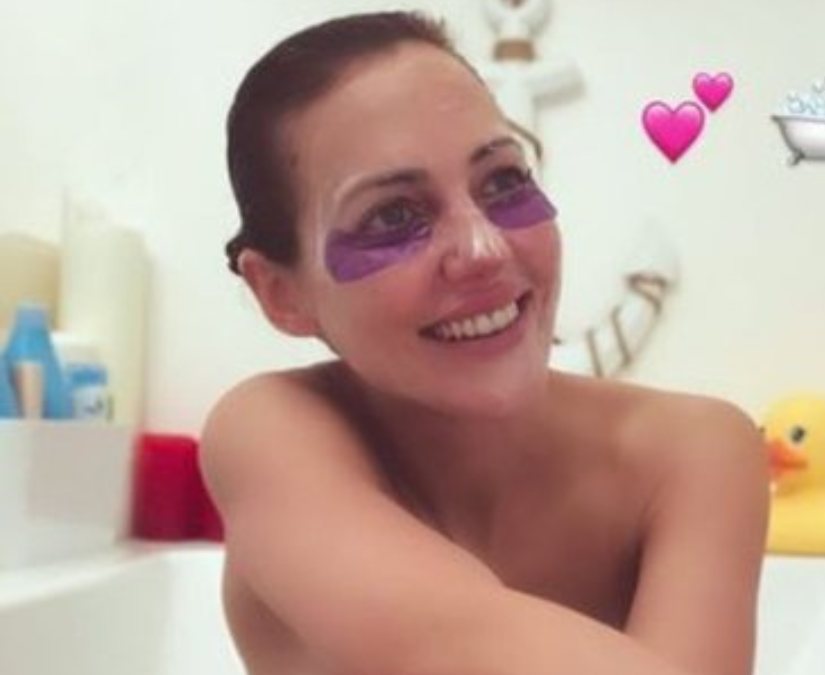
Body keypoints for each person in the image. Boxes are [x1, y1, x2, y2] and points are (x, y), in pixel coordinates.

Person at [200, 11, 769, 675]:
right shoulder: (270, 432)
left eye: (503, 181)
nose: (485, 248)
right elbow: (447, 644)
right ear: (280, 293)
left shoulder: (694, 453)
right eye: (393, 215)